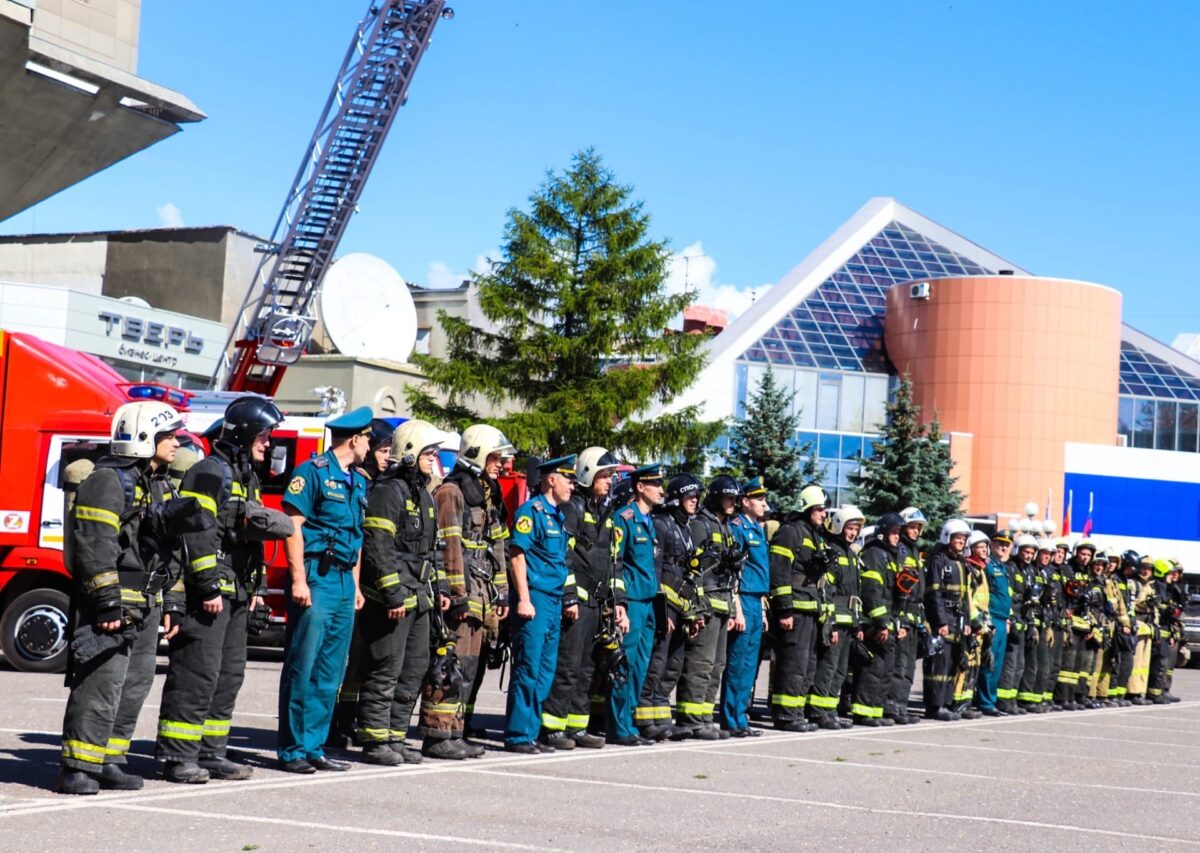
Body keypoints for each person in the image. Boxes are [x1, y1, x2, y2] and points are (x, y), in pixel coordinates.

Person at [58, 402, 189, 794]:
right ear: (145, 437)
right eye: (169, 435)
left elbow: (172, 548)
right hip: (115, 602)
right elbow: (94, 544)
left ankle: (110, 760)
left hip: (147, 603)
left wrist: (175, 600)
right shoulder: (108, 481)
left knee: (133, 685)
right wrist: (106, 600)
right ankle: (78, 767)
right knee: (101, 682)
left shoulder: (159, 483)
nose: (177, 442)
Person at [157, 396, 283, 783]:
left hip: (238, 592)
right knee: (198, 674)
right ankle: (178, 757)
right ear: (244, 435)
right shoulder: (210, 471)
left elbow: (254, 537)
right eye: (263, 435)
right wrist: (208, 585)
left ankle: (211, 752)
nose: (268, 444)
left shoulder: (247, 478)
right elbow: (197, 533)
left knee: (228, 676)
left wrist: (258, 589)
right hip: (210, 594)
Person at [277, 406, 372, 773]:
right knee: (304, 663)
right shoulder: (312, 473)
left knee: (331, 669)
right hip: (317, 576)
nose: (370, 445)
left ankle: (314, 746)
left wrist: (357, 585)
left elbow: (357, 536)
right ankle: (292, 748)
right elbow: (292, 526)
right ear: (355, 438)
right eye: (367, 439)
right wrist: (298, 578)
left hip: (345, 581)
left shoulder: (358, 481)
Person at [354, 420, 445, 766]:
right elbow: (379, 546)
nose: (433, 457)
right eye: (429, 451)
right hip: (393, 598)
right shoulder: (387, 491)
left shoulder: (422, 492)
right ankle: (375, 741)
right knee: (385, 668)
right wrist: (392, 595)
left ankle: (395, 735)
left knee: (414, 667)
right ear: (410, 451)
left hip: (420, 595)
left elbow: (428, 550)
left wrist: (435, 592)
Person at [420, 424, 513, 759]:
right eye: (495, 456)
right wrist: (457, 594)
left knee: (470, 666)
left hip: (483, 595)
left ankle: (456, 731)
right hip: (464, 596)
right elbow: (449, 547)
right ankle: (437, 735)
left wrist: (502, 592)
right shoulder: (452, 492)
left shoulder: (487, 493)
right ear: (476, 454)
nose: (501, 463)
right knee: (449, 664)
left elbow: (497, 543)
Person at [540, 447, 623, 750]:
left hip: (598, 604)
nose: (610, 480)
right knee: (568, 666)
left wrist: (618, 604)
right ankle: (551, 727)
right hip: (577, 603)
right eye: (605, 475)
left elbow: (616, 560)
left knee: (589, 668)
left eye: (611, 476)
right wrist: (570, 596)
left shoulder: (607, 512)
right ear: (588, 474)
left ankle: (576, 726)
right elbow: (565, 556)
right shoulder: (573, 509)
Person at [328, 417, 396, 750]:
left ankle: (348, 719)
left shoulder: (380, 485)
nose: (384, 456)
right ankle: (334, 722)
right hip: (354, 583)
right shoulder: (361, 483)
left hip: (369, 587)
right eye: (382, 449)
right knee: (346, 659)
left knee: (361, 662)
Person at [503, 456, 576, 753]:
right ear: (551, 479)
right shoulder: (530, 512)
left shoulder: (558, 515)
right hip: (535, 598)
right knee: (528, 668)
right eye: (568, 478)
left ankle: (531, 732)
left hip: (554, 599)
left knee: (545, 670)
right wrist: (523, 598)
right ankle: (518, 734)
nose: (572, 485)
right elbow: (517, 555)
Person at [675, 475, 742, 740]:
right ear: (716, 497)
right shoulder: (701, 524)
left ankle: (704, 717)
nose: (733, 503)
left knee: (717, 665)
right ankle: (689, 719)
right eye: (729, 498)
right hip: (708, 605)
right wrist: (697, 609)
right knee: (700, 664)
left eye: (735, 499)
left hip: (723, 603)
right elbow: (695, 569)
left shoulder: (725, 526)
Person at [637, 473, 701, 740]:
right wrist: (662, 612)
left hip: (681, 608)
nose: (695, 500)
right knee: (656, 662)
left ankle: (662, 717)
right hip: (665, 608)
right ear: (677, 498)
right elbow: (656, 569)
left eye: (696, 496)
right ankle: (644, 719)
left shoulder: (685, 527)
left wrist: (693, 611)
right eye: (690, 496)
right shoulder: (662, 525)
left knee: (673, 664)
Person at [608, 464, 665, 746]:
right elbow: (616, 563)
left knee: (640, 666)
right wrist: (620, 603)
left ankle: (628, 722)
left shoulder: (649, 520)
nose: (661, 490)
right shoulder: (625, 518)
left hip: (648, 602)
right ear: (640, 487)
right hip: (631, 602)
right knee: (625, 665)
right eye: (655, 484)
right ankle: (618, 726)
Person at [765, 485, 828, 732]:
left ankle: (796, 712)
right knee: (792, 663)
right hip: (796, 611)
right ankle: (785, 715)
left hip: (810, 608)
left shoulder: (812, 534)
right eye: (821, 509)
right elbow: (779, 572)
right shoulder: (790, 533)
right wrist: (784, 610)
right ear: (808, 508)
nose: (824, 514)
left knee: (806, 665)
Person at [807, 505, 864, 730]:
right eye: (850, 528)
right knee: (828, 668)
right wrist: (829, 622)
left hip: (849, 620)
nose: (853, 533)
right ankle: (818, 712)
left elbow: (855, 593)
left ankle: (830, 710)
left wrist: (858, 622)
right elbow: (826, 588)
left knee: (840, 671)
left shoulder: (851, 554)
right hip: (835, 620)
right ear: (840, 526)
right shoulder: (833, 551)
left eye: (856, 529)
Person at [722, 477, 770, 737]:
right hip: (743, 599)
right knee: (738, 663)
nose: (764, 503)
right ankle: (731, 718)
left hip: (755, 600)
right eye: (759, 498)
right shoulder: (737, 527)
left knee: (750, 665)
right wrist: (736, 608)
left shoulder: (757, 528)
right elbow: (734, 571)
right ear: (745, 501)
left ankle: (740, 717)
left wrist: (762, 609)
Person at [850, 512, 903, 727]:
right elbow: (872, 592)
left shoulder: (889, 556)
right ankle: (863, 713)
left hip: (887, 623)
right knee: (872, 669)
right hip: (875, 623)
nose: (896, 537)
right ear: (882, 533)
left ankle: (875, 710)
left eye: (898, 533)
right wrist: (881, 623)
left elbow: (891, 594)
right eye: (893, 532)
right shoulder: (874, 554)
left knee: (884, 670)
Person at [923, 518, 971, 721]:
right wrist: (940, 622)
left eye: (963, 538)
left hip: (958, 619)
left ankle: (946, 702)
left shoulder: (961, 562)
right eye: (957, 538)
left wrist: (967, 622)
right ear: (947, 538)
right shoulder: (938, 560)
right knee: (939, 665)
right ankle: (934, 706)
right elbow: (933, 594)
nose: (961, 541)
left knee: (952, 663)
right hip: (943, 619)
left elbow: (965, 595)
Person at [887, 507, 927, 725]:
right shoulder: (901, 550)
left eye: (918, 528)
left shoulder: (913, 551)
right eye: (912, 527)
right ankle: (893, 707)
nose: (916, 531)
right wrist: (900, 619)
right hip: (902, 616)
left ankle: (901, 705)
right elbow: (899, 589)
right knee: (899, 665)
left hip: (914, 617)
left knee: (909, 666)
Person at [998, 534, 1037, 715]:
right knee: (1010, 664)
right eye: (1025, 552)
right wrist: (1011, 619)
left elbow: (1030, 601)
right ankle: (1003, 700)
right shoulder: (1010, 568)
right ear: (1018, 551)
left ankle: (1012, 698)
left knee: (1020, 664)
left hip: (1023, 622)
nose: (1028, 556)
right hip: (1013, 622)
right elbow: (1008, 598)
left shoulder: (1029, 571)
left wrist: (1031, 624)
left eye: (1031, 553)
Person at [953, 530, 990, 720]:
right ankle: (958, 702)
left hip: (981, 625)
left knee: (975, 664)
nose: (984, 550)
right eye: (980, 547)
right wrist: (974, 620)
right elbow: (967, 597)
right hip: (972, 624)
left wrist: (987, 622)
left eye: (985, 547)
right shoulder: (969, 569)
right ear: (971, 549)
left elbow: (984, 600)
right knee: (965, 664)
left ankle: (967, 701)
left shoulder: (981, 569)